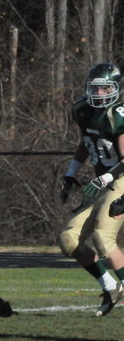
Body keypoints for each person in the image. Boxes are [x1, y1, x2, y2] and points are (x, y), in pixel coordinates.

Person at [58, 62, 124, 317]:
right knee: (68, 239)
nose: (98, 94)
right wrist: (70, 173)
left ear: (115, 88)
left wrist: (107, 177)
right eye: (95, 88)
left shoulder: (117, 114)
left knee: (102, 237)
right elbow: (86, 143)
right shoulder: (82, 109)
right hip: (102, 182)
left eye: (104, 89)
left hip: (120, 179)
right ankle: (110, 286)